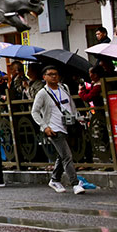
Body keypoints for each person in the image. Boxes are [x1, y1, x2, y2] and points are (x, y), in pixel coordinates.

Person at [32, 66, 85, 195]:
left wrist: (77, 118)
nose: (53, 76)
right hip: (54, 128)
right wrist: (45, 127)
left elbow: (71, 105)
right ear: (44, 77)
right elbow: (35, 112)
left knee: (62, 155)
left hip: (68, 126)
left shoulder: (64, 88)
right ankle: (75, 183)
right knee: (67, 156)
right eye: (50, 74)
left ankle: (55, 179)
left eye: (55, 74)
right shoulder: (42, 93)